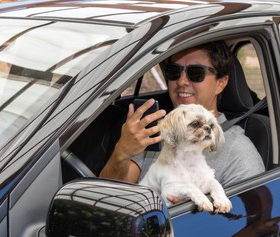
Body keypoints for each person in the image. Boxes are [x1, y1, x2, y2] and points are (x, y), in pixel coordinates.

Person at [100, 41, 265, 188]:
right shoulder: (155, 131)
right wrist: (122, 153)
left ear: (220, 83)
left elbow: (247, 218)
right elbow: (109, 193)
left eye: (195, 73)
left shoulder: (239, 152)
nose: (181, 81)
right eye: (174, 71)